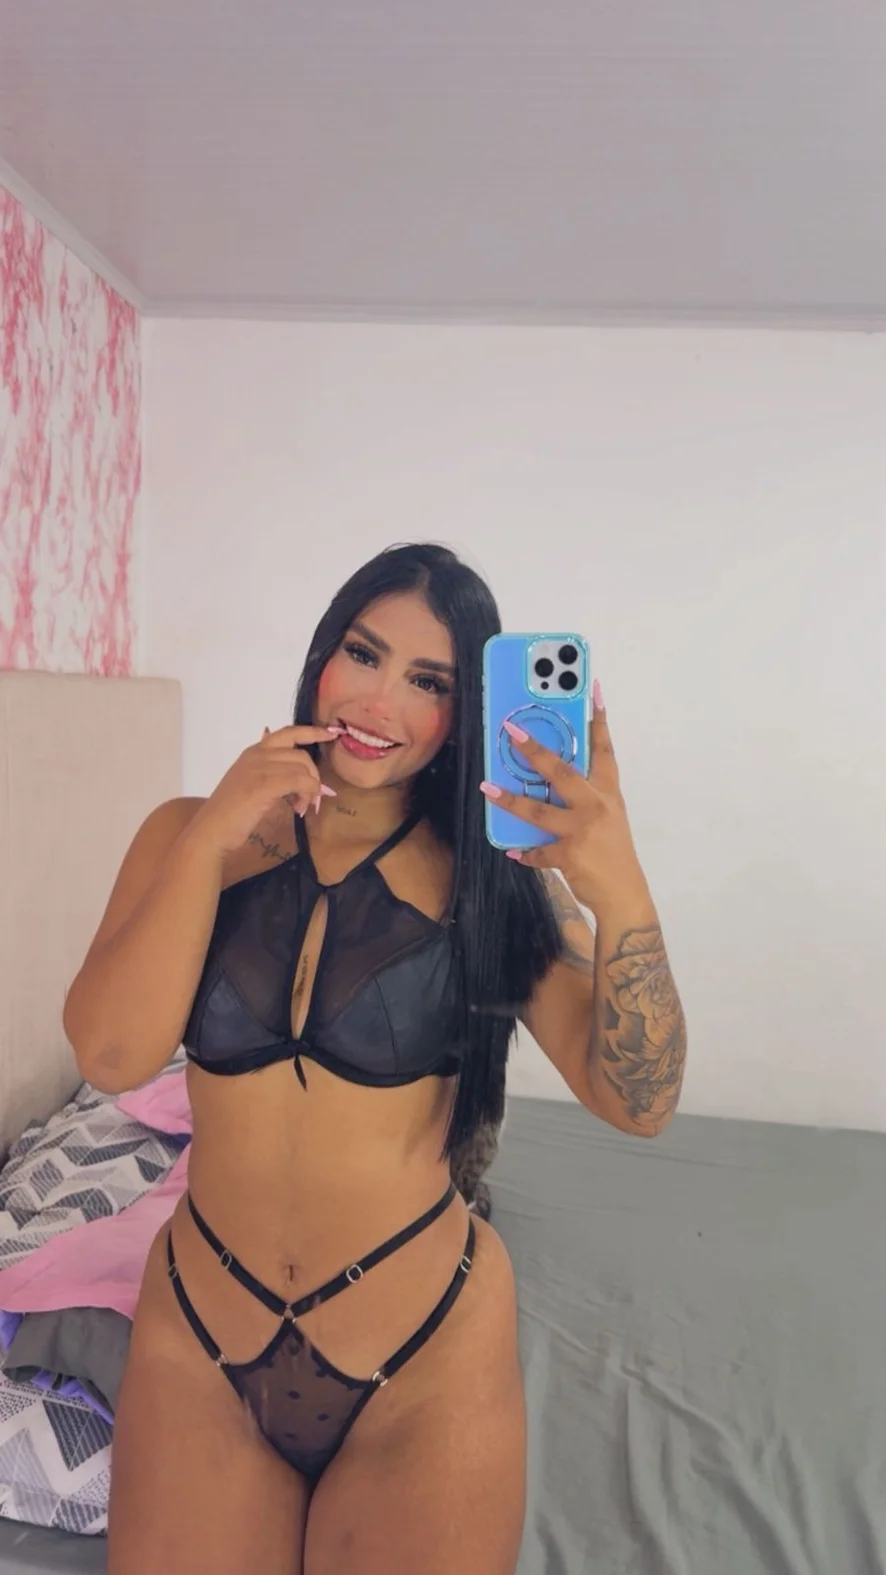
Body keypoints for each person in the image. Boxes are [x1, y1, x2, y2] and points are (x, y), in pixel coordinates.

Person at [64, 542, 687, 1575]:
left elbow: (642, 1101)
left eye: (429, 682)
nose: (380, 702)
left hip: (421, 1354)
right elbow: (111, 1053)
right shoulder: (188, 834)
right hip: (202, 1340)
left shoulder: (495, 883)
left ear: (464, 710)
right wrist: (212, 834)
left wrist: (618, 887)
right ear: (323, 655)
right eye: (363, 653)